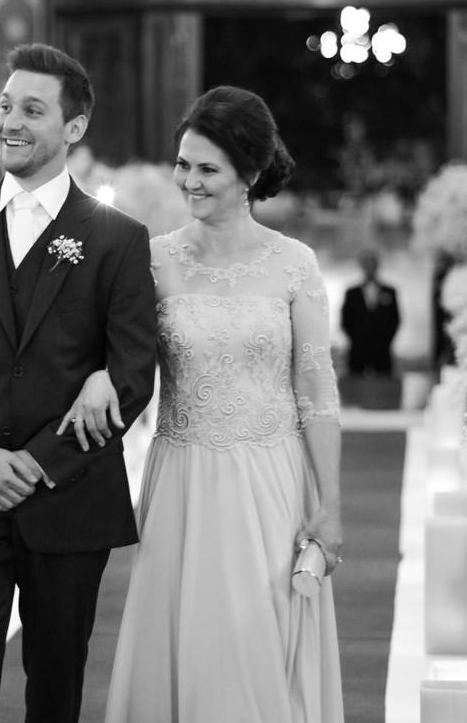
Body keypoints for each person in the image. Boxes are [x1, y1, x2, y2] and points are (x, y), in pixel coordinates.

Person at [0, 43, 157, 723]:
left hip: (70, 497)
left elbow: (133, 373)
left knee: (56, 683)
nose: (9, 121)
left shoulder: (117, 239)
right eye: (6, 105)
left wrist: (42, 462)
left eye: (32, 110)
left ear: (73, 129)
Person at [100, 86, 344, 721]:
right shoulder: (152, 260)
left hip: (271, 481)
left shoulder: (295, 265)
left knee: (255, 642)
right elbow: (120, 366)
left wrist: (331, 506)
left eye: (207, 168)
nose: (190, 181)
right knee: (184, 636)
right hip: (182, 478)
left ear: (251, 174)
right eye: (184, 164)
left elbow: (317, 393)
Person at [341, 250, 400, 375]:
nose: (369, 269)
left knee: (384, 388)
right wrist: (357, 340)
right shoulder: (352, 293)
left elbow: (395, 320)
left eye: (372, 265)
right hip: (358, 351)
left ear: (377, 266)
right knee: (355, 389)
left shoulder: (390, 291)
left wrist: (385, 341)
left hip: (382, 351)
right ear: (362, 267)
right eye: (366, 265)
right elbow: (346, 320)